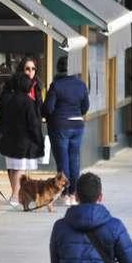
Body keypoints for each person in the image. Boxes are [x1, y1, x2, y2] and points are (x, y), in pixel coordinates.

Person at [0, 57, 46, 207]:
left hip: (28, 130)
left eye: (33, 69)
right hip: (14, 130)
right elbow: (3, 106)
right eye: (27, 68)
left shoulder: (37, 86)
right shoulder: (12, 86)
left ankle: (17, 194)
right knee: (16, 165)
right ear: (21, 70)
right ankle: (15, 194)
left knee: (20, 165)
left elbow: (39, 107)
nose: (30, 72)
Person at [45, 56, 90, 205]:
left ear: (59, 68)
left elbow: (48, 108)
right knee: (74, 159)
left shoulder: (56, 85)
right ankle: (72, 194)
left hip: (60, 126)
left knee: (63, 160)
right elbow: (85, 107)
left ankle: (64, 194)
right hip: (77, 125)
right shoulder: (81, 85)